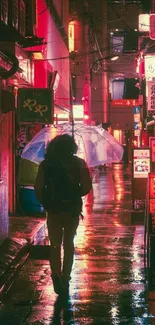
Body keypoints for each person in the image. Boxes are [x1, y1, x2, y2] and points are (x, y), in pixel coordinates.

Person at [34, 134, 92, 295]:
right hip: (72, 209)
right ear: (72, 147)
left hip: (53, 210)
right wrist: (74, 194)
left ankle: (55, 276)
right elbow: (86, 187)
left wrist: (46, 202)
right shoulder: (79, 163)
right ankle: (66, 277)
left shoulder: (46, 165)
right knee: (69, 243)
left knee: (54, 244)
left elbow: (38, 187)